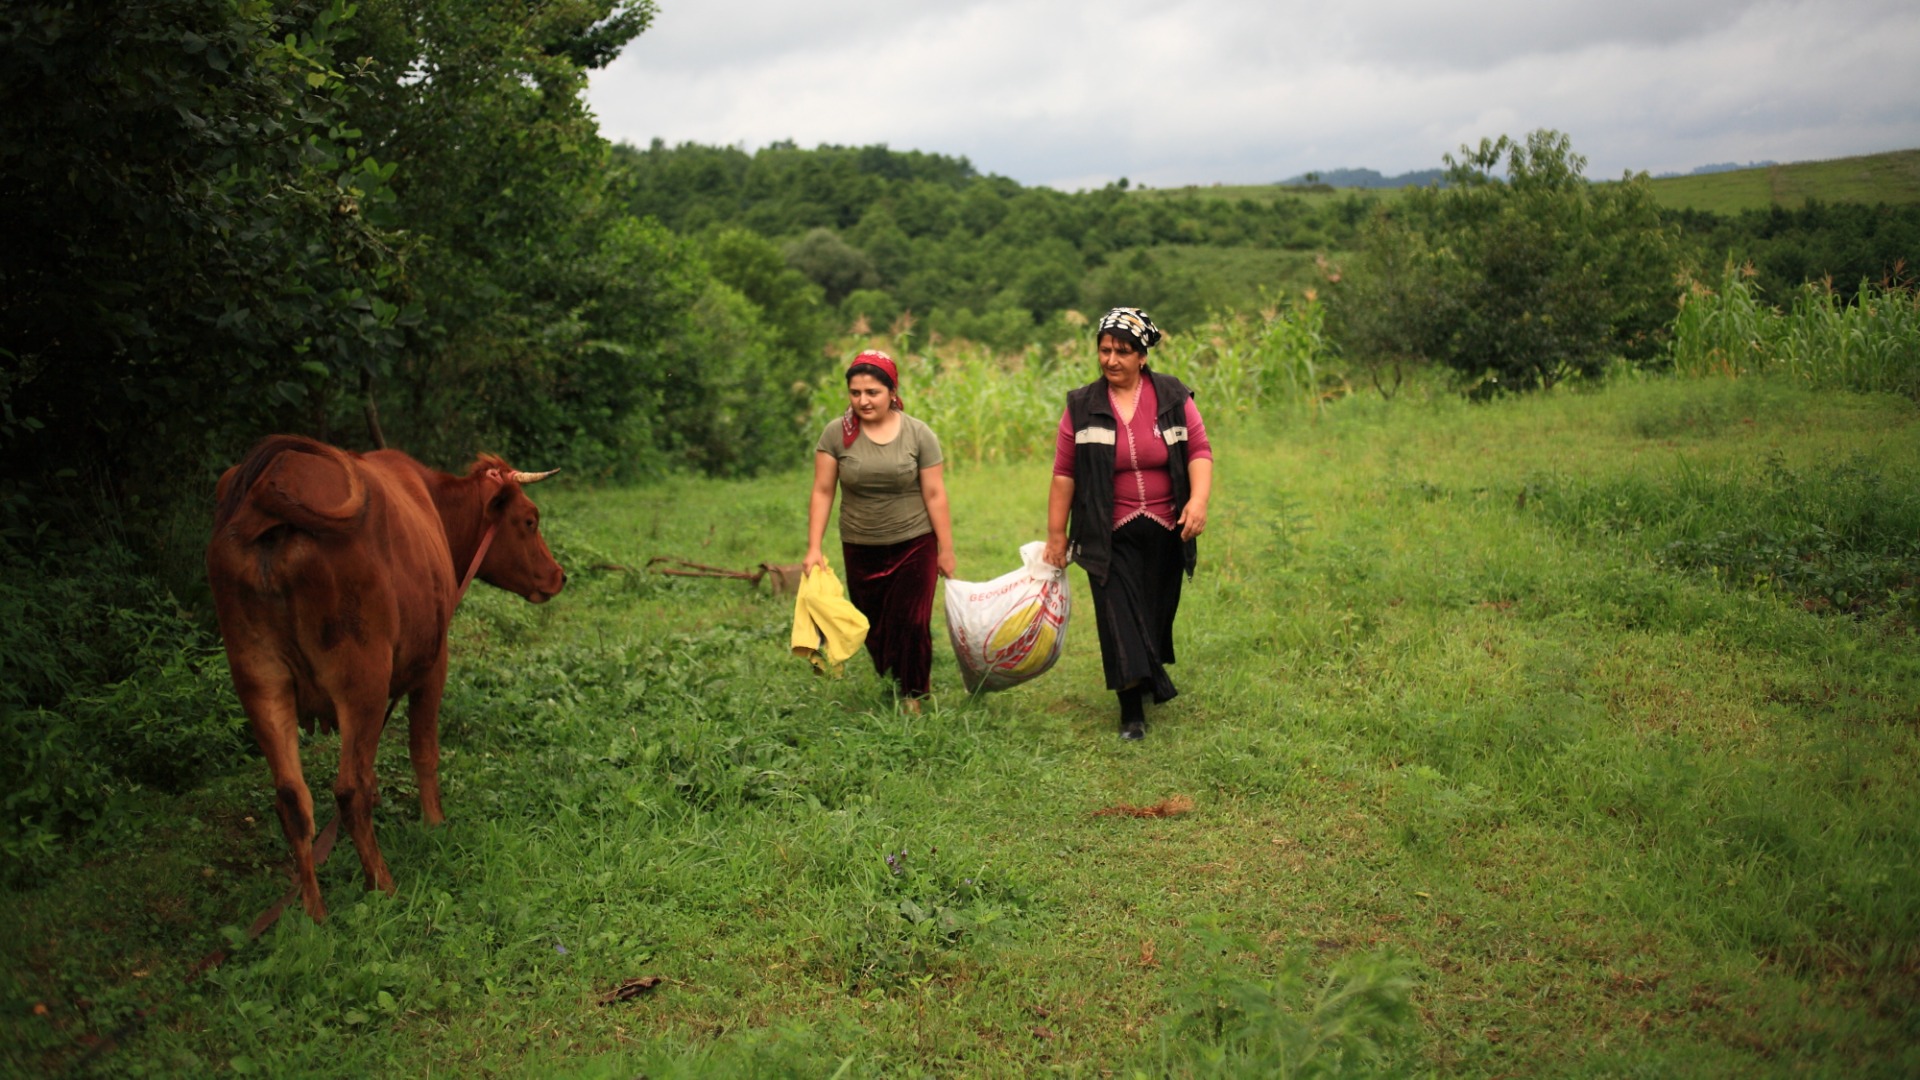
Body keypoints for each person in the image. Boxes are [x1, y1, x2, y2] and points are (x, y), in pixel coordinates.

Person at [1043, 308, 1213, 740]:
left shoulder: (1173, 395)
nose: (1111, 360)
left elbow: (1199, 450)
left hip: (1165, 527)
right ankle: (1131, 711)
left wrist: (1198, 501)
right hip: (1107, 531)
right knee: (1117, 615)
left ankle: (1149, 669)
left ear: (1142, 355)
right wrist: (1056, 534)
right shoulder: (1082, 406)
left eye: (1122, 351)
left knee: (1155, 611)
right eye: (1104, 350)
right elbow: (1064, 473)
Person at [805, 350, 956, 707]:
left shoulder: (919, 434)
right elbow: (823, 491)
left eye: (872, 392)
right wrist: (813, 547)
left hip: (915, 542)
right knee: (874, 627)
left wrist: (946, 549)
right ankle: (898, 676)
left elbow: (935, 494)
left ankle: (913, 696)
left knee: (913, 623)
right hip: (861, 544)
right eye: (855, 393)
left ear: (892, 391)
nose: (863, 400)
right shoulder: (835, 435)